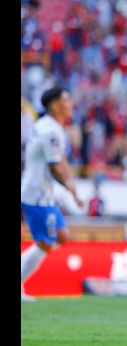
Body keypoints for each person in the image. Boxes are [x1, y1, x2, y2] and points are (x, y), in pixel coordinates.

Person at [21, 87, 83, 301]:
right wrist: (68, 186)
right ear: (55, 105)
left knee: (62, 236)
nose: (71, 104)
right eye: (66, 100)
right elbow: (55, 166)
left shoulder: (52, 127)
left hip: (42, 193)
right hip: (36, 195)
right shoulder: (50, 131)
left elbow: (60, 160)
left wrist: (71, 186)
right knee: (46, 243)